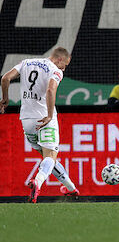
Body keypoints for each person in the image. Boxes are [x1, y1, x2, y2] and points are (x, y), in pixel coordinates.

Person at [0, 47, 80, 203]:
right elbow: (51, 90)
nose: (64, 68)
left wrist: (5, 99)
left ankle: (71, 188)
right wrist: (49, 115)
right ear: (59, 59)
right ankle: (38, 181)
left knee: (48, 159)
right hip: (44, 118)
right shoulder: (55, 70)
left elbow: (5, 78)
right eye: (65, 65)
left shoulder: (26, 63)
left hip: (26, 119)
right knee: (50, 156)